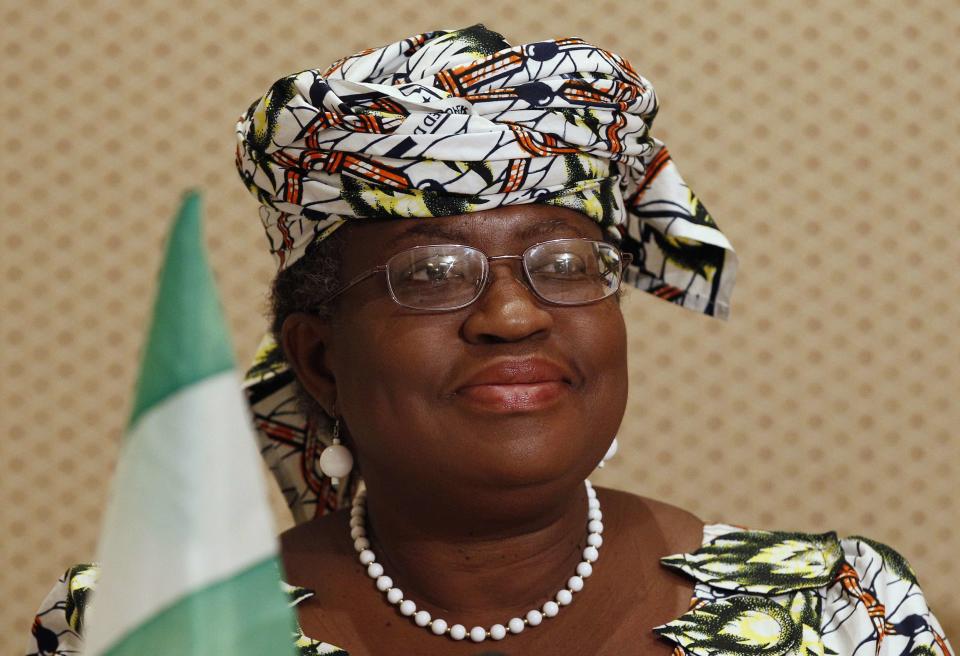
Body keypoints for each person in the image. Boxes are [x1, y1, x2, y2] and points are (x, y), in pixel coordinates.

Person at [26, 25, 952, 656]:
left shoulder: (836, 613)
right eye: (430, 273)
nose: (513, 315)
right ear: (320, 357)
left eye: (565, 263)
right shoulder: (146, 620)